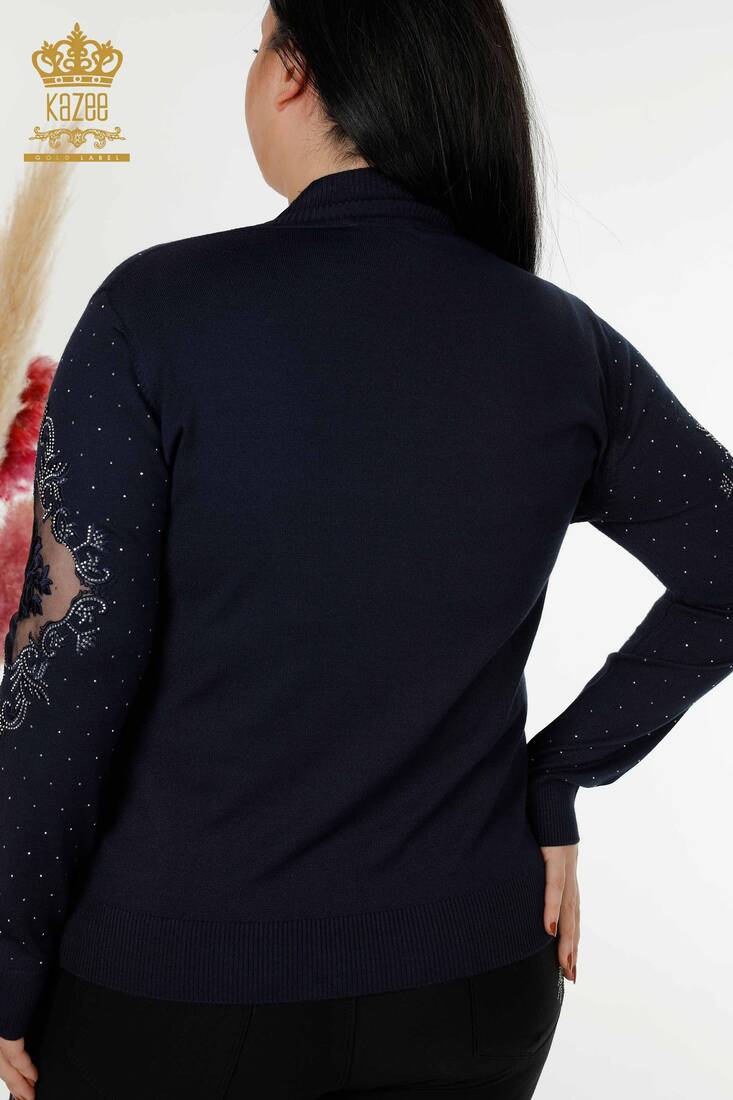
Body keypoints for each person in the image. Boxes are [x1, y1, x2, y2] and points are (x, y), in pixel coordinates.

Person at [1, 1, 731, 1097]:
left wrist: (11, 954)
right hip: (472, 982)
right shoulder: (561, 341)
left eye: (260, 42)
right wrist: (555, 775)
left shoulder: (154, 312)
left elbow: (69, 662)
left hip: (174, 997)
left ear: (294, 72)